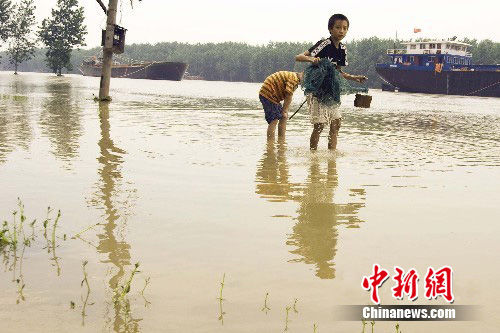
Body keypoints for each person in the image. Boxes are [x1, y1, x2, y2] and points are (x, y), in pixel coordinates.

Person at [295, 13, 367, 150]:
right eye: (338, 27)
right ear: (330, 29)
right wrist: (311, 59)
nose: (342, 31)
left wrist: (354, 78)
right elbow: (298, 57)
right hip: (316, 91)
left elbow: (337, 72)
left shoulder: (342, 50)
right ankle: (313, 159)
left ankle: (331, 158)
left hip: (330, 92)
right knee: (319, 125)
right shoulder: (324, 44)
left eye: (345, 28)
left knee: (336, 123)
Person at [259, 71, 304, 140]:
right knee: (274, 120)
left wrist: (284, 111)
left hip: (273, 96)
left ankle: (281, 141)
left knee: (283, 117)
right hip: (268, 94)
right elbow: (288, 95)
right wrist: (284, 110)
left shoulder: (294, 77)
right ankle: (270, 144)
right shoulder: (294, 79)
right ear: (303, 74)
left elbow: (288, 95)